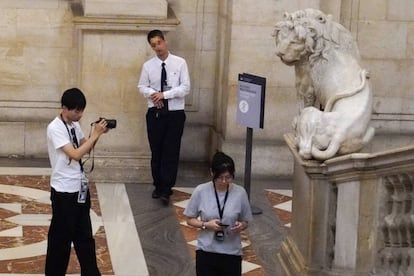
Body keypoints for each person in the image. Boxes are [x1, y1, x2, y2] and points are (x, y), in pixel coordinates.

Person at [45, 87, 109, 276]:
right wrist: (95, 135)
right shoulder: (55, 128)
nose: (79, 114)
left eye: (81, 110)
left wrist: (97, 135)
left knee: (85, 238)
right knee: (60, 241)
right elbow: (74, 154)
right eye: (76, 110)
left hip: (80, 187)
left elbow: (85, 148)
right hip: (64, 191)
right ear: (64, 108)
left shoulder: (74, 125)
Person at [138, 29, 190, 205]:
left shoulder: (180, 63)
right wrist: (154, 95)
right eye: (153, 45)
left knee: (171, 150)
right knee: (157, 149)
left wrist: (165, 95)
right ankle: (158, 185)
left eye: (159, 43)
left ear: (165, 42)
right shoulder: (148, 66)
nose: (157, 48)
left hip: (175, 113)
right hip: (156, 113)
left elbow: (185, 87)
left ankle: (167, 187)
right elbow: (142, 86)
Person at [183, 151, 253, 276]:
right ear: (212, 173)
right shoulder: (201, 191)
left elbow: (245, 221)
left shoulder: (240, 193)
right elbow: (190, 219)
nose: (224, 181)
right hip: (207, 251)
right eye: (220, 177)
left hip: (231, 253)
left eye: (228, 177)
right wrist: (206, 225)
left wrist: (241, 225)